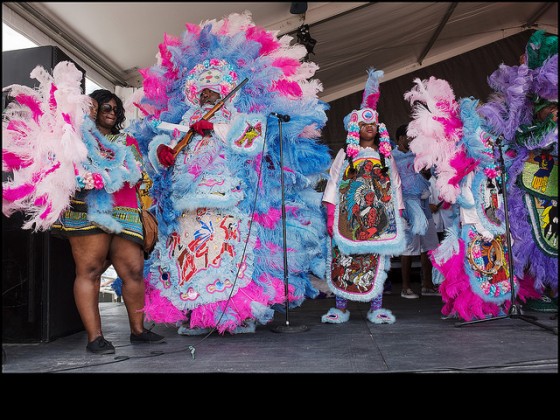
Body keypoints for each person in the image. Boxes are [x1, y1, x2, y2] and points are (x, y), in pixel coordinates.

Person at [130, 12, 331, 335]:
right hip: (185, 208)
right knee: (189, 264)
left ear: (224, 92)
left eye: (214, 91)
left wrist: (217, 128)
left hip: (228, 204)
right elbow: (158, 150)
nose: (208, 96)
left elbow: (252, 142)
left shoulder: (239, 118)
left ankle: (235, 316)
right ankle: (194, 315)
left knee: (227, 260)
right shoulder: (182, 123)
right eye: (203, 92)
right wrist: (160, 153)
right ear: (195, 93)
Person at [51, 89, 165, 354]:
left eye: (115, 109)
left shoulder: (127, 141)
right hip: (88, 209)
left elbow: (137, 174)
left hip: (125, 211)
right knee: (89, 271)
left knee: (134, 270)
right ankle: (95, 338)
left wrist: (118, 172)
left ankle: (138, 330)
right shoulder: (75, 138)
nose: (111, 112)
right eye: (105, 107)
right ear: (91, 109)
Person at [321, 68, 405, 325]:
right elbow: (334, 183)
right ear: (356, 128)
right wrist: (331, 212)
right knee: (343, 261)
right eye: (364, 125)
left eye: (372, 125)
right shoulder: (346, 155)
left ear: (378, 127)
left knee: (376, 262)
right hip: (349, 218)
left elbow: (396, 185)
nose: (369, 128)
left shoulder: (385, 156)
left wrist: (398, 213)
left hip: (377, 219)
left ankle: (376, 307)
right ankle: (340, 307)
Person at [392, 124, 441, 299]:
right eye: (408, 136)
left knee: (430, 246)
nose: (412, 140)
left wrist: (426, 171)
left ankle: (427, 285)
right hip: (407, 209)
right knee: (410, 248)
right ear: (399, 139)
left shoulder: (420, 155)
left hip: (424, 207)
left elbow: (429, 177)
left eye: (414, 136)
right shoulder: (392, 157)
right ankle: (406, 288)